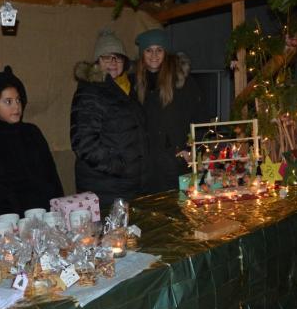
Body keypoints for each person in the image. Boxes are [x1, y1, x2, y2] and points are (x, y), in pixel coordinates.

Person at [0, 66, 64, 221]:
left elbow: (52, 178)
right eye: (8, 102)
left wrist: (57, 211)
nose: (16, 107)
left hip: (43, 216)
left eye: (18, 100)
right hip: (7, 223)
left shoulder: (32, 132)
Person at [71, 29, 147, 208]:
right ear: (97, 61)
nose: (113, 62)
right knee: (109, 235)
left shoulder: (128, 89)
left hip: (129, 185)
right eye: (107, 57)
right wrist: (119, 166)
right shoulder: (90, 91)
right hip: (105, 187)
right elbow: (83, 143)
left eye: (118, 57)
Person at [134, 28, 207, 193]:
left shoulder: (183, 82)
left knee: (179, 211)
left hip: (177, 164)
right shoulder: (136, 84)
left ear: (166, 53)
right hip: (147, 168)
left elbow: (201, 118)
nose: (154, 55)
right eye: (149, 50)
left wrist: (193, 149)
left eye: (159, 50)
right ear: (142, 54)